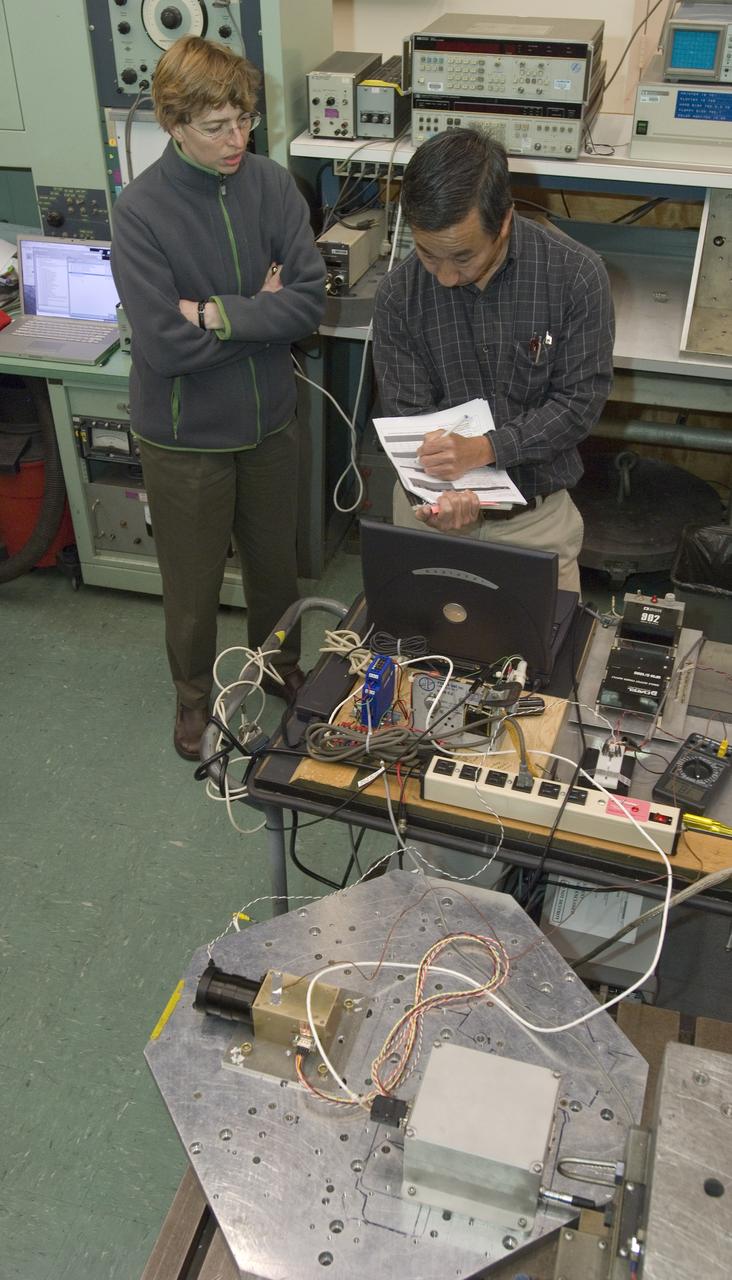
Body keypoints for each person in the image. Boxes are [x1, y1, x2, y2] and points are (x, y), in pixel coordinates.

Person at [111, 36, 325, 759]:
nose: (237, 140)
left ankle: (279, 664)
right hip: (184, 438)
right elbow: (165, 348)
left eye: (244, 121)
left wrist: (211, 313)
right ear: (174, 125)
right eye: (215, 126)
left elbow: (307, 305)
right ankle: (193, 699)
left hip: (269, 424)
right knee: (193, 585)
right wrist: (260, 315)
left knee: (275, 567)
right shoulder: (140, 212)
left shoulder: (273, 185)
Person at [372, 128, 614, 594]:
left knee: (548, 640)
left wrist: (487, 449)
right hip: (431, 516)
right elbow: (408, 415)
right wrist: (443, 494)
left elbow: (578, 403)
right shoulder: (398, 294)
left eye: (462, 257)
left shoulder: (576, 276)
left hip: (534, 524)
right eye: (428, 254)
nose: (445, 277)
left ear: (503, 222)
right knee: (419, 637)